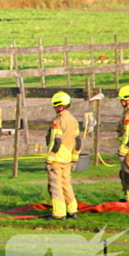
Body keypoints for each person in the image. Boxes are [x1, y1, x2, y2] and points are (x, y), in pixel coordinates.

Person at [45, 92, 82, 220]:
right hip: (67, 159)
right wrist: (75, 157)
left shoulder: (58, 121)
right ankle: (72, 210)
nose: (54, 108)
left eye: (55, 106)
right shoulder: (74, 120)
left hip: (57, 159)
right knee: (66, 184)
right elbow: (78, 141)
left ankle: (59, 213)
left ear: (60, 106)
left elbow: (56, 142)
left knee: (55, 185)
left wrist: (49, 158)